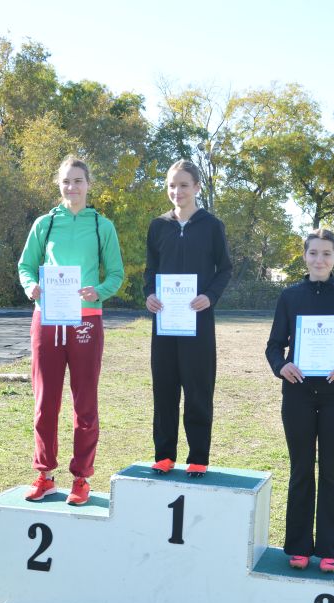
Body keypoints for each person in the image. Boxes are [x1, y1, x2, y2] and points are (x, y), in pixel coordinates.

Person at [18, 156, 124, 506]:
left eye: (78, 180)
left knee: (85, 403)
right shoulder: (45, 224)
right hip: (47, 319)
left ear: (88, 184)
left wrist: (99, 291)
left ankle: (81, 478)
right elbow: (26, 266)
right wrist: (31, 286)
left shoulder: (101, 226)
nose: (72, 187)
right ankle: (44, 475)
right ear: (58, 184)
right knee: (44, 402)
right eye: (66, 181)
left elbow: (116, 274)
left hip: (86, 321)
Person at [264, 229, 334, 573]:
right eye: (313, 253)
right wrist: (282, 366)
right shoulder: (289, 297)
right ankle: (298, 546)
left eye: (326, 254)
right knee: (301, 468)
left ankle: (330, 549)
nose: (319, 260)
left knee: (332, 470)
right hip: (298, 394)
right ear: (304, 256)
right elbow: (274, 345)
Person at [144, 159, 232, 477]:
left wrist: (210, 296)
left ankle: (198, 457)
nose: (177, 191)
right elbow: (151, 270)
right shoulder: (158, 226)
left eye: (183, 185)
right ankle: (164, 455)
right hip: (165, 322)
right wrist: (149, 294)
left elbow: (225, 269)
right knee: (165, 390)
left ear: (196, 187)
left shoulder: (212, 226)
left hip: (198, 322)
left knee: (198, 390)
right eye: (172, 185)